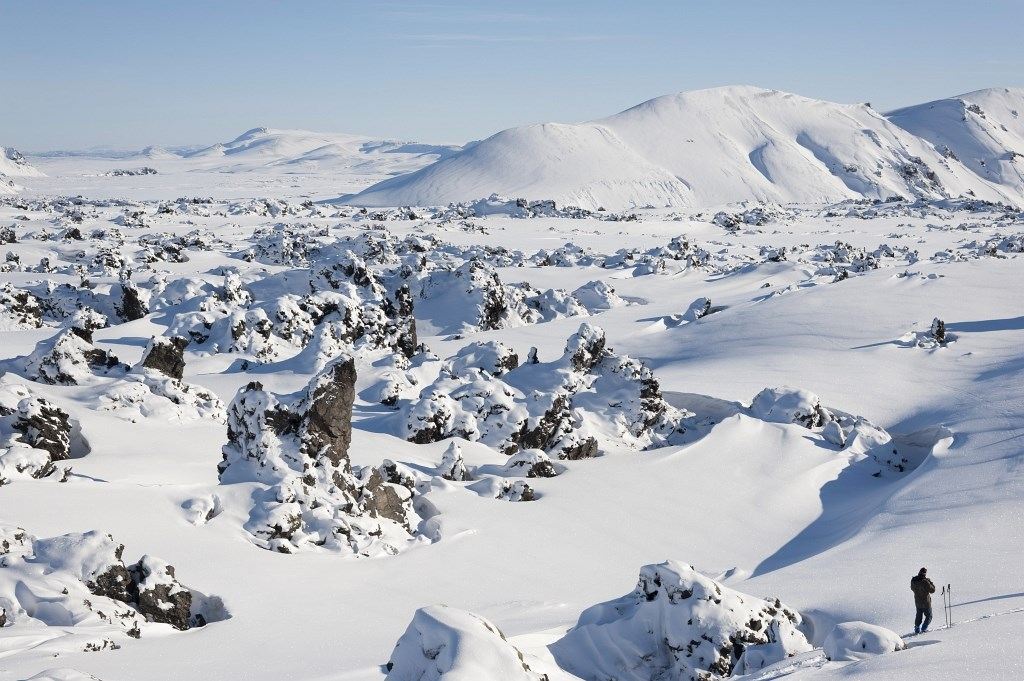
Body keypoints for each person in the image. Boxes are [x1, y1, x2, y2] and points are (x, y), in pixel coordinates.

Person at [911, 567, 936, 633]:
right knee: (929, 616)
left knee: (919, 615)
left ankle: (917, 628)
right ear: (925, 574)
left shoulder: (913, 580)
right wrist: (930, 582)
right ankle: (924, 628)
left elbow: (912, 588)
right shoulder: (925, 582)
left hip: (918, 602)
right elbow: (932, 590)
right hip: (926, 603)